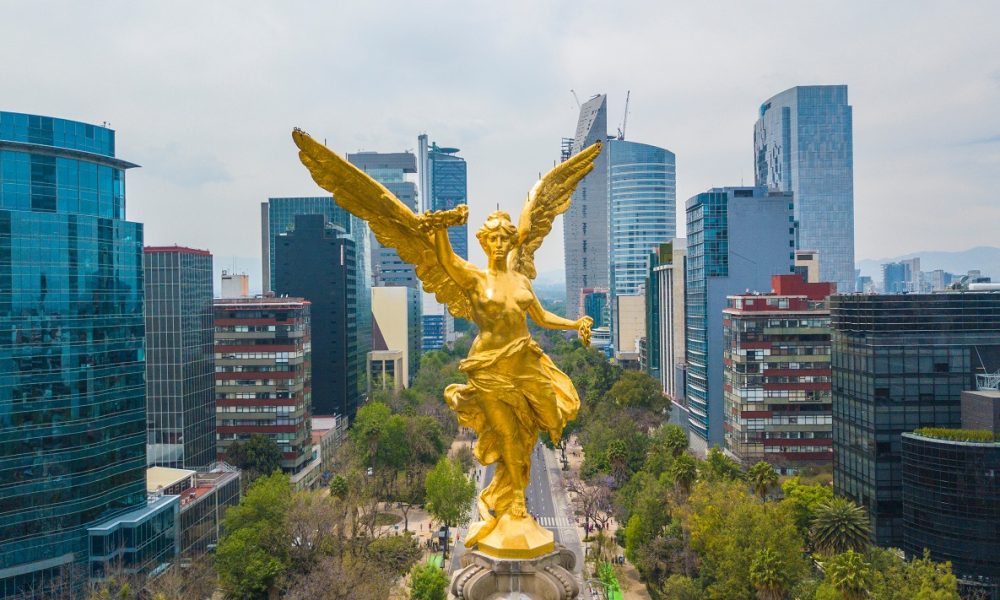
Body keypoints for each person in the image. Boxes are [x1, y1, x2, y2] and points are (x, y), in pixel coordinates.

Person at [430, 211, 591, 541]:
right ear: (485, 242)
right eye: (494, 238)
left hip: (524, 364)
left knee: (549, 413)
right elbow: (445, 261)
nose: (500, 244)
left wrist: (575, 325)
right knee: (508, 435)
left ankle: (514, 491)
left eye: (505, 237)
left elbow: (541, 317)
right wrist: (441, 229)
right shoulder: (475, 278)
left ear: (512, 240)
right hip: (489, 368)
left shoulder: (521, 281)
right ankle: (515, 501)